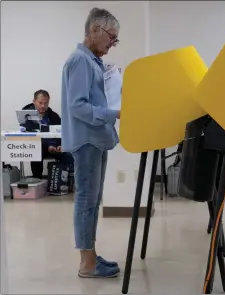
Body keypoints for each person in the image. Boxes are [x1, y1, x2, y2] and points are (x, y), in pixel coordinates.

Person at [61, 8, 121, 278]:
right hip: (87, 141)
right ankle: (86, 263)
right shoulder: (80, 61)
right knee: (87, 201)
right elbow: (78, 107)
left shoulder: (92, 62)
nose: (112, 44)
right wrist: (115, 113)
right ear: (95, 30)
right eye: (112, 37)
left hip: (95, 139)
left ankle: (91, 256)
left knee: (93, 201)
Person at [22, 90, 73, 179]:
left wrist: (61, 145)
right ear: (34, 101)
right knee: (36, 151)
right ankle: (37, 180)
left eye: (46, 103)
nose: (43, 106)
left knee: (69, 154)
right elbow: (30, 135)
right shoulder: (26, 116)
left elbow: (62, 132)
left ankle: (69, 181)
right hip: (39, 147)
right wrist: (48, 146)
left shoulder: (53, 116)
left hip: (55, 147)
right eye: (40, 103)